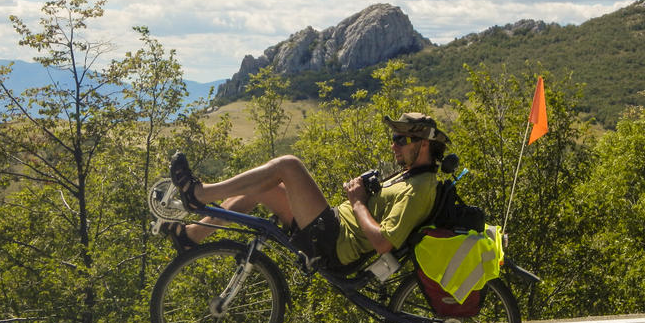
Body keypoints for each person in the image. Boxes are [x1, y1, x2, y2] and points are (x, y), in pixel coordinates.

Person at [161, 112, 449, 271]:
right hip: (332, 228)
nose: (393, 145)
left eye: (401, 139)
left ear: (422, 144)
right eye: (394, 138)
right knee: (262, 184)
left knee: (289, 165)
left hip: (334, 243)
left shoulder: (419, 188)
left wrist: (359, 202)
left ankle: (199, 194)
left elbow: (384, 243)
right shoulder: (412, 175)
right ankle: (191, 236)